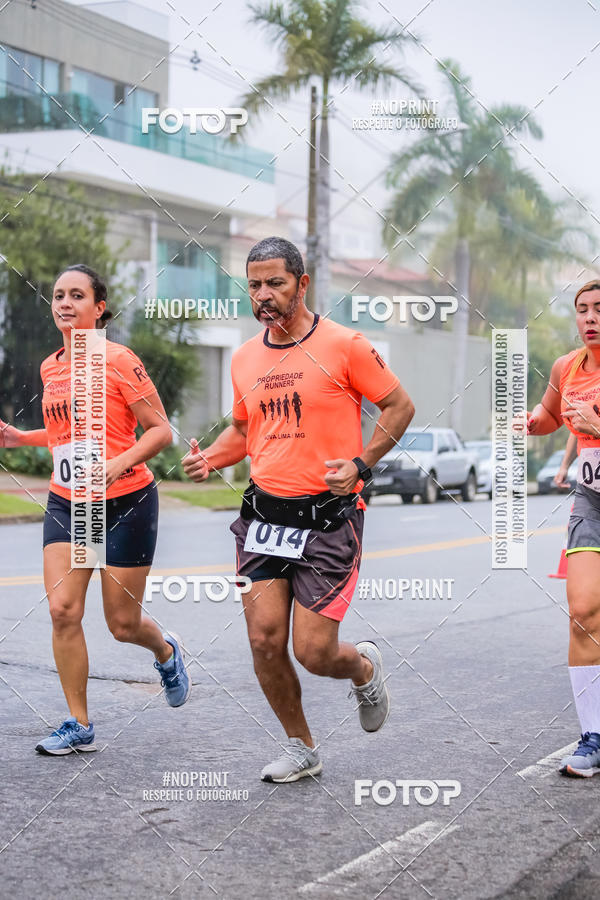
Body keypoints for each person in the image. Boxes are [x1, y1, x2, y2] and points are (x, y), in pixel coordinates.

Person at [183, 237, 415, 783]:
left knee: (313, 651)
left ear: (302, 284)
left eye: (275, 283)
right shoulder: (244, 357)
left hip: (328, 518)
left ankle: (363, 667)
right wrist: (210, 457)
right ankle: (301, 747)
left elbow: (399, 406)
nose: (263, 295)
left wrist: (361, 463)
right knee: (264, 640)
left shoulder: (345, 345)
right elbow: (245, 431)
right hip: (263, 518)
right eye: (254, 285)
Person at [0, 264, 190, 755]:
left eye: (77, 295)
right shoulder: (51, 366)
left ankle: (165, 651)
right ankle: (78, 723)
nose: (64, 303)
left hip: (126, 501)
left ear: (99, 308)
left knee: (122, 625)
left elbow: (159, 430)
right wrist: (21, 438)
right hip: (69, 503)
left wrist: (118, 463)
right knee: (63, 611)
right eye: (58, 295)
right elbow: (63, 435)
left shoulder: (119, 360)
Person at [528, 279, 600, 776]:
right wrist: (533, 421)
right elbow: (551, 413)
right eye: (582, 309)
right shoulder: (566, 367)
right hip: (590, 500)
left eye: (599, 308)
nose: (590, 318)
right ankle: (592, 735)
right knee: (583, 613)